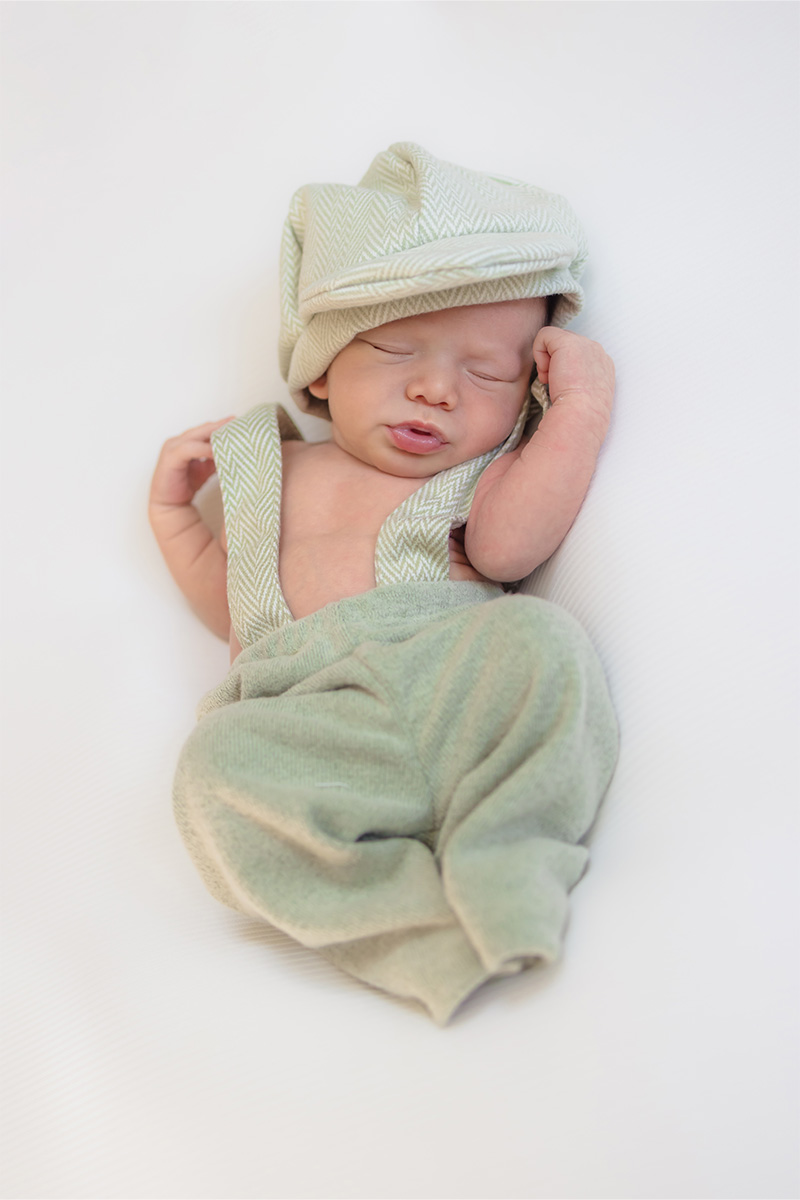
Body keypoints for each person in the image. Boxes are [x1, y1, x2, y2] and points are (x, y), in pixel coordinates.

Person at [149, 143, 619, 1024]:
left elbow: (512, 554)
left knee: (542, 642)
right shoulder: (274, 470)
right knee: (212, 773)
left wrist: (579, 413)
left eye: (487, 372)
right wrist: (180, 525)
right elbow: (244, 606)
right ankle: (414, 929)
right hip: (316, 721)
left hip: (449, 677)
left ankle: (506, 859)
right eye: (398, 349)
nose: (437, 389)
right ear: (322, 366)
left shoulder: (488, 470)